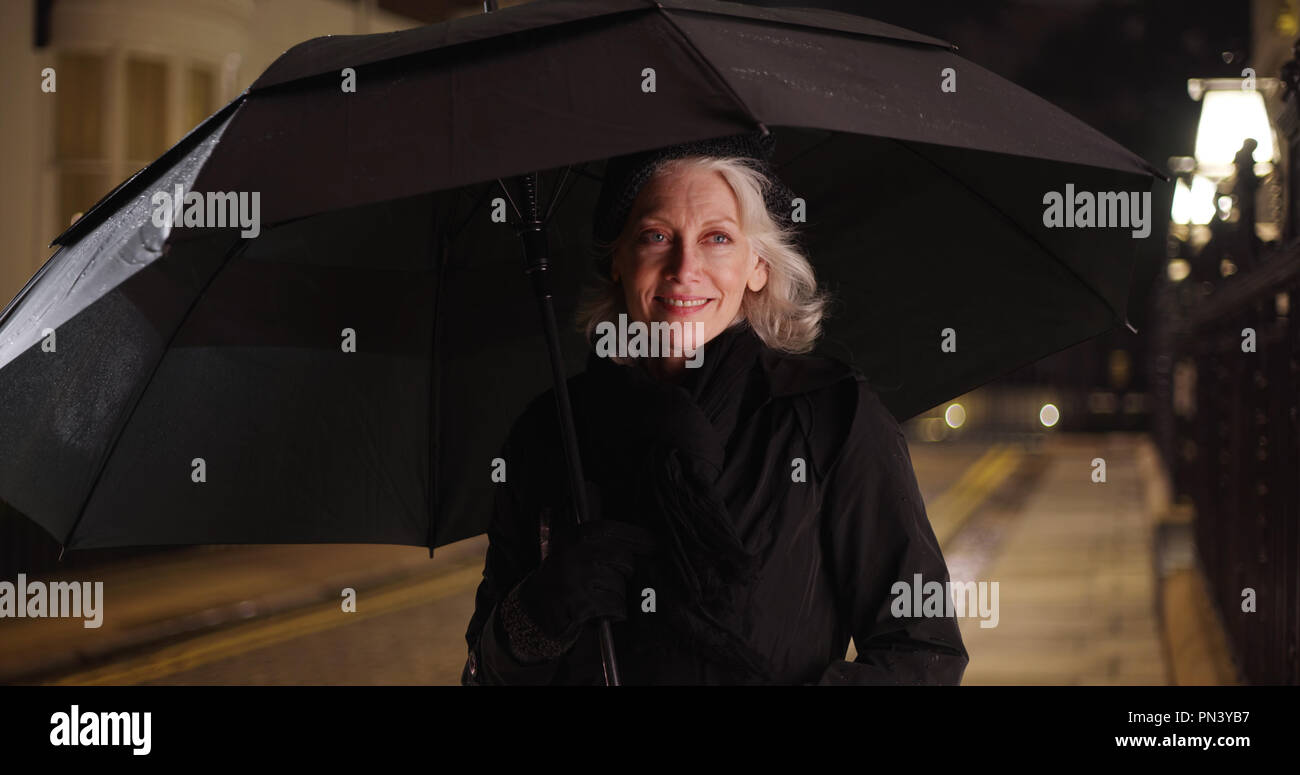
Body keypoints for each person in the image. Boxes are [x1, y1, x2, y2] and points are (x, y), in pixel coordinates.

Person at [461, 132, 969, 685]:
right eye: (656, 235)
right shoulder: (548, 431)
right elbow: (482, 672)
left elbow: (922, 653)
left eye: (718, 238)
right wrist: (536, 614)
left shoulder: (831, 417)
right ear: (618, 262)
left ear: (759, 266)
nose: (685, 268)